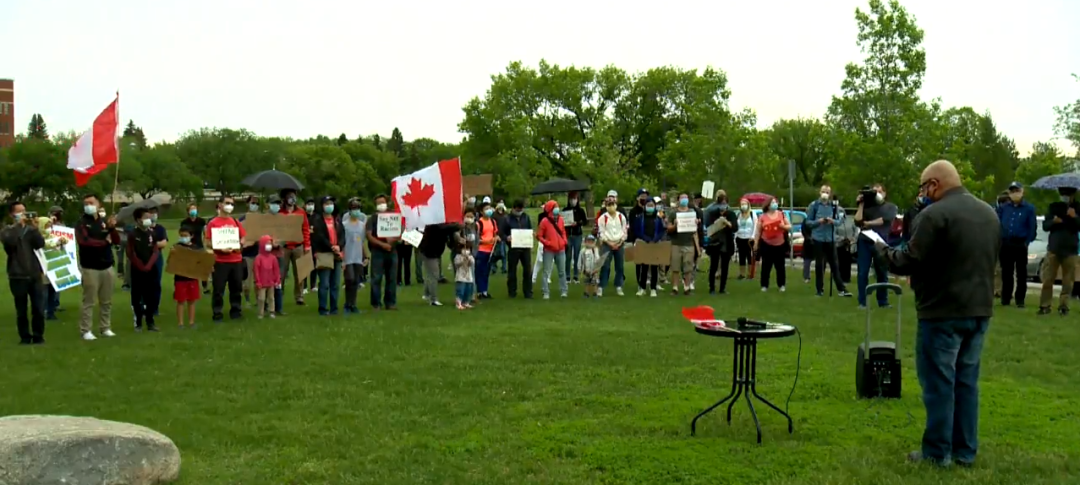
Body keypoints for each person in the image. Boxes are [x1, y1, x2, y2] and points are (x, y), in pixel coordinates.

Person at [875, 160, 997, 467]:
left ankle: (936, 452)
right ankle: (965, 452)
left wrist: (881, 250)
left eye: (923, 187)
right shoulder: (989, 213)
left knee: (939, 383)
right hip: (979, 309)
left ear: (934, 184)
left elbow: (909, 260)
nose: (922, 193)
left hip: (941, 311)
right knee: (966, 381)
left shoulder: (934, 214)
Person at [76, 194, 120, 341]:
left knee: (106, 300)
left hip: (106, 265)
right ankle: (85, 329)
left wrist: (112, 229)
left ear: (98, 204)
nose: (88, 205)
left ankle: (105, 327)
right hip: (90, 267)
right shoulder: (81, 223)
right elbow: (85, 241)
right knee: (89, 301)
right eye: (86, 203)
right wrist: (104, 242)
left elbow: (116, 241)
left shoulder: (103, 222)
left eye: (91, 202)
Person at [2, 202, 47, 344]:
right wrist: (18, 227)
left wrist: (34, 228)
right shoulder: (7, 231)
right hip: (17, 275)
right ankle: (25, 336)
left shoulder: (30, 230)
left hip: (34, 274)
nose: (23, 214)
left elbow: (40, 244)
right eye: (19, 212)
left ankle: (38, 335)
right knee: (21, 309)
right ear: (12, 215)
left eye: (24, 211)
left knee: (38, 308)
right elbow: (10, 244)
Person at [854, 183, 898, 309]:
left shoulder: (890, 207)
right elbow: (857, 221)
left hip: (880, 242)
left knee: (882, 273)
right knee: (863, 272)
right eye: (874, 191)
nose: (877, 193)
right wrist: (861, 204)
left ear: (884, 193)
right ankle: (862, 302)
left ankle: (883, 301)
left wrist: (867, 223)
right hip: (864, 241)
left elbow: (884, 220)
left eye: (879, 191)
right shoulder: (867, 206)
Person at [205, 195, 247, 321]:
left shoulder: (235, 222)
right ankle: (217, 312)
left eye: (232, 204)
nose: (230, 206)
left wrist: (240, 244)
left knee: (236, 288)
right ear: (220, 205)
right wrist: (219, 248)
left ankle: (236, 311)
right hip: (220, 261)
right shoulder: (213, 223)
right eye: (228, 203)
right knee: (218, 289)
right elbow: (207, 242)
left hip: (236, 260)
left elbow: (243, 237)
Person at [1039, 187, 1080, 315]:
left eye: (1067, 194)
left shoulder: (1077, 208)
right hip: (1054, 248)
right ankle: (1045, 305)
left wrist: (1074, 217)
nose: (1065, 196)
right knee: (1048, 278)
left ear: (1073, 195)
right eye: (1062, 194)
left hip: (1070, 249)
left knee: (1068, 281)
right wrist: (1054, 221)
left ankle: (1064, 306)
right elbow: (1045, 226)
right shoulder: (1054, 207)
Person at [805, 185, 852, 297]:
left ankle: (841, 289)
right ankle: (819, 289)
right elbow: (808, 222)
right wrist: (819, 221)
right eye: (823, 191)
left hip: (830, 238)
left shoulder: (834, 206)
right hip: (818, 238)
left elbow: (840, 221)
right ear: (819, 192)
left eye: (827, 191)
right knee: (819, 265)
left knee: (835, 265)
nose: (825, 193)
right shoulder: (814, 205)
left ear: (830, 194)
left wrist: (832, 221)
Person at [996, 182, 1037, 308]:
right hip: (1006, 243)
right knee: (1006, 273)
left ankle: (1020, 299)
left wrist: (1026, 242)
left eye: (1017, 191)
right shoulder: (1004, 208)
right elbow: (998, 221)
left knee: (1021, 273)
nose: (1015, 194)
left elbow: (1032, 228)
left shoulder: (1029, 209)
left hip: (1020, 243)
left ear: (1022, 191)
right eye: (1012, 191)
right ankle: (1006, 298)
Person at [127, 208, 162, 331]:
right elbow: (131, 253)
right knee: (137, 297)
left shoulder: (152, 233)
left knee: (150, 296)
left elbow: (155, 251)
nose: (149, 219)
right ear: (138, 220)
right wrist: (141, 266)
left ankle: (150, 321)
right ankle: (138, 323)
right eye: (145, 217)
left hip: (150, 270)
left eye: (149, 216)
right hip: (137, 270)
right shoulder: (132, 234)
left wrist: (149, 265)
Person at [311, 196, 345, 316]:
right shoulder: (317, 221)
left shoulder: (337, 220)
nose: (329, 205)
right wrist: (331, 246)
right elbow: (318, 237)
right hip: (324, 253)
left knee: (335, 284)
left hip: (337, 254)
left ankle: (334, 308)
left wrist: (339, 246)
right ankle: (323, 308)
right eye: (326, 203)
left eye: (331, 203)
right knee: (324, 283)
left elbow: (342, 236)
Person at [366, 194, 399, 310]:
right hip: (377, 252)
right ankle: (376, 303)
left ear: (387, 202)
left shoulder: (394, 216)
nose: (381, 205)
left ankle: (390, 303)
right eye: (378, 203)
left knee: (392, 278)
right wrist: (382, 244)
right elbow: (369, 235)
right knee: (376, 278)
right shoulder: (372, 219)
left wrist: (393, 241)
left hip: (392, 251)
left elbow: (400, 231)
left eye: (383, 202)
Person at [703, 191, 738, 294]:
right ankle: (712, 288)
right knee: (713, 265)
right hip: (715, 242)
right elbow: (708, 227)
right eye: (721, 203)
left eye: (725, 203)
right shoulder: (713, 213)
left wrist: (727, 223)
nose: (723, 206)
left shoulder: (731, 214)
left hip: (726, 242)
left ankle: (722, 288)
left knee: (725, 266)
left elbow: (735, 228)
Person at [665, 193, 699, 295]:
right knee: (675, 267)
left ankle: (687, 287)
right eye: (682, 198)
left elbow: (695, 230)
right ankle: (675, 287)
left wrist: (696, 223)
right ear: (678, 200)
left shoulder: (692, 212)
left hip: (689, 243)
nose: (684, 199)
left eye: (686, 197)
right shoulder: (673, 213)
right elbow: (668, 228)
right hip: (676, 243)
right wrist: (675, 226)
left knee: (688, 267)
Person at [630, 198, 665, 297]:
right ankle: (642, 288)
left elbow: (662, 231)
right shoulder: (640, 218)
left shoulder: (658, 219)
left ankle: (653, 288)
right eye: (648, 205)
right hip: (644, 244)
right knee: (644, 267)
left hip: (655, 244)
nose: (650, 207)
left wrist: (655, 239)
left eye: (652, 205)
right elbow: (636, 231)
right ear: (645, 206)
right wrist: (646, 239)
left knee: (654, 267)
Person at [754, 197, 790, 292]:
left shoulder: (781, 214)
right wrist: (756, 242)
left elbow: (789, 226)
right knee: (766, 266)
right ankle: (764, 285)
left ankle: (781, 285)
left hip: (780, 244)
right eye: (772, 202)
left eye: (776, 202)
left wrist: (783, 226)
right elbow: (758, 231)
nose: (775, 204)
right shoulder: (762, 217)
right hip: (766, 244)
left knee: (780, 266)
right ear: (768, 205)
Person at [595, 190, 627, 295]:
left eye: (612, 205)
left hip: (619, 243)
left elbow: (624, 231)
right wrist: (609, 243)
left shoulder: (621, 216)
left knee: (620, 266)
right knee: (605, 266)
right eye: (609, 205)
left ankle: (619, 286)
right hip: (607, 244)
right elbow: (601, 233)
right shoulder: (602, 218)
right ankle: (601, 286)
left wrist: (619, 242)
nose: (611, 207)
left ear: (616, 205)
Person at [501, 199, 533, 299]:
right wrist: (507, 238)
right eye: (518, 209)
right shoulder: (507, 219)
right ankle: (512, 292)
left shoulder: (526, 217)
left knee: (527, 270)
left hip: (525, 248)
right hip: (513, 248)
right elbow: (501, 233)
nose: (520, 211)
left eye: (521, 209)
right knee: (512, 271)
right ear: (514, 208)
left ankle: (528, 292)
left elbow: (529, 228)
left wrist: (531, 235)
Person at [537, 200, 569, 299]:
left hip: (561, 249)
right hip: (549, 250)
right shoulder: (544, 221)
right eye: (554, 207)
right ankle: (545, 291)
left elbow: (563, 231)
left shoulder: (561, 220)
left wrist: (564, 241)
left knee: (562, 271)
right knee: (546, 271)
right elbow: (539, 236)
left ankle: (564, 290)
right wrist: (548, 243)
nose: (557, 208)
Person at [341, 198, 368, 314]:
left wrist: (365, 256)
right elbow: (342, 242)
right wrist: (342, 259)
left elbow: (362, 242)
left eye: (358, 208)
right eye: (353, 208)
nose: (356, 211)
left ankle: (353, 304)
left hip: (358, 257)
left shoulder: (362, 226)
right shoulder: (344, 225)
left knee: (356, 281)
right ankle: (347, 303)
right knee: (349, 279)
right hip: (347, 257)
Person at [419, 223, 455, 307]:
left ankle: (427, 294)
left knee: (430, 274)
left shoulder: (435, 225)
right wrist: (457, 225)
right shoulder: (435, 225)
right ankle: (433, 299)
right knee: (434, 275)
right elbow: (445, 228)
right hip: (430, 252)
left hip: (432, 252)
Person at [171, 227, 200, 328]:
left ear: (191, 236)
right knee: (181, 301)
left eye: (186, 236)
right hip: (180, 279)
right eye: (181, 235)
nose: (183, 238)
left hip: (192, 278)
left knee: (192, 301)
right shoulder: (177, 247)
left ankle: (191, 322)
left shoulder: (195, 248)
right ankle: (180, 323)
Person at [180, 202, 209, 294]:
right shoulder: (184, 222)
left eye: (194, 209)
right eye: (191, 209)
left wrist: (205, 244)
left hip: (199, 246)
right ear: (188, 211)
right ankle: (191, 286)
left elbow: (206, 233)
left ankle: (205, 287)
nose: (193, 210)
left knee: (202, 267)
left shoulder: (201, 221)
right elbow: (182, 234)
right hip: (188, 246)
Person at [239, 196, 262, 306]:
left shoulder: (261, 219)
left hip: (259, 253)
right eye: (253, 203)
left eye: (257, 204)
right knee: (246, 282)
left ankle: (259, 300)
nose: (255, 205)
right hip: (246, 254)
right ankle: (247, 300)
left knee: (258, 281)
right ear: (248, 204)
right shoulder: (242, 220)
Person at [473, 202, 499, 299]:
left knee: (486, 272)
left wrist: (496, 238)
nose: (489, 210)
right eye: (486, 209)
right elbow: (476, 239)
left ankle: (485, 291)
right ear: (481, 211)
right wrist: (487, 241)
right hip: (481, 251)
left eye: (490, 208)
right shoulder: (478, 223)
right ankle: (479, 291)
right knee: (479, 271)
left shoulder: (493, 222)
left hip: (490, 251)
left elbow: (495, 233)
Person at [44, 206, 65, 319]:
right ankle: (46, 308)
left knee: (57, 284)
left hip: (58, 257)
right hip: (47, 259)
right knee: (46, 285)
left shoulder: (62, 226)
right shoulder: (45, 224)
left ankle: (54, 304)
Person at [253, 235, 281, 320]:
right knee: (261, 298)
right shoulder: (258, 258)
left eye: (270, 244)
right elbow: (256, 271)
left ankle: (272, 311)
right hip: (262, 283)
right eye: (267, 244)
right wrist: (258, 281)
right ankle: (261, 313)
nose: (269, 246)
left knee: (271, 298)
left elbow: (276, 270)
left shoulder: (273, 258)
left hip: (271, 282)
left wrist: (277, 279)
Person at [563, 192, 587, 283]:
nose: (573, 201)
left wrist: (578, 223)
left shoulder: (580, 211)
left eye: (575, 199)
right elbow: (562, 222)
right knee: (568, 256)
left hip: (577, 235)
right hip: (568, 235)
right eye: (571, 199)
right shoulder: (565, 210)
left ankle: (576, 275)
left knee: (577, 255)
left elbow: (585, 222)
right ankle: (567, 276)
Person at [734, 198, 756, 280]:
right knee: (741, 256)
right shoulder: (738, 214)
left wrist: (753, 236)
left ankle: (750, 273)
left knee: (749, 256)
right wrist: (735, 237)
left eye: (745, 204)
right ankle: (742, 274)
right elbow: (736, 227)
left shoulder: (752, 214)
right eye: (742, 204)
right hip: (740, 238)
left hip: (749, 238)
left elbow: (755, 226)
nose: (743, 206)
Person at [453, 238, 475, 310]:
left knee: (468, 290)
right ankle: (458, 302)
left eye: (468, 249)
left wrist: (469, 259)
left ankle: (466, 302)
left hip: (468, 276)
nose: (466, 251)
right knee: (460, 290)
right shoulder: (458, 256)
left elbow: (471, 263)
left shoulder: (470, 256)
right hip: (461, 276)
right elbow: (456, 264)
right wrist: (462, 260)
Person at [490, 201, 509, 275]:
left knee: (503, 254)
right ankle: (494, 268)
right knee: (495, 254)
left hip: (503, 237)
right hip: (496, 237)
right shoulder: (494, 216)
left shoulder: (506, 216)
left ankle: (504, 268)